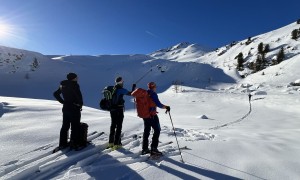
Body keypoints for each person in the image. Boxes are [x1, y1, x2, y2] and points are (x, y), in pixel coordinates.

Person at [53, 72, 83, 150]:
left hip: (66, 108)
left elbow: (56, 94)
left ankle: (62, 143)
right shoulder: (75, 85)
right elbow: (78, 96)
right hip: (74, 109)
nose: (77, 78)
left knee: (65, 126)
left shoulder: (62, 85)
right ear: (73, 78)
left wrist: (63, 102)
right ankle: (74, 144)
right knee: (75, 126)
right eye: (76, 77)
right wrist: (79, 104)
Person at [142, 82, 170, 155]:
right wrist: (166, 107)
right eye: (155, 87)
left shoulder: (145, 93)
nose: (156, 88)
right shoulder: (153, 94)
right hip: (152, 116)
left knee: (146, 131)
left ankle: (144, 149)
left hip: (145, 116)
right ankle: (154, 148)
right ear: (153, 87)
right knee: (157, 130)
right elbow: (159, 104)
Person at [108, 76, 136, 150]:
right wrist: (134, 87)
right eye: (122, 82)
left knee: (113, 125)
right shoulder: (121, 90)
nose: (123, 83)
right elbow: (131, 94)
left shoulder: (112, 89)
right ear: (121, 82)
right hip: (119, 109)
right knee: (119, 126)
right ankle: (117, 144)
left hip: (112, 109)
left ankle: (111, 142)